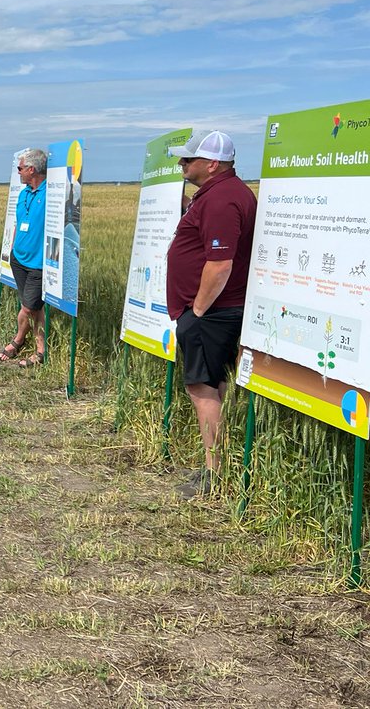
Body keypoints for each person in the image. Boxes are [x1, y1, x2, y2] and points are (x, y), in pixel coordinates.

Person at [166, 130, 257, 499]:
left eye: (189, 159)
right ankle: (215, 465)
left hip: (212, 312)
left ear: (212, 164)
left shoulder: (221, 200)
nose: (182, 163)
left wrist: (197, 310)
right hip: (215, 311)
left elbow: (220, 264)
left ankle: (212, 474)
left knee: (200, 387)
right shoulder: (221, 194)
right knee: (213, 385)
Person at [0, 148, 48, 368]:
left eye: (20, 168)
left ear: (31, 169)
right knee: (34, 307)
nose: (18, 172)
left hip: (38, 262)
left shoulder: (49, 194)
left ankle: (18, 340)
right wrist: (12, 250)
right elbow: (19, 223)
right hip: (20, 259)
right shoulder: (24, 193)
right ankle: (40, 349)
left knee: (28, 308)